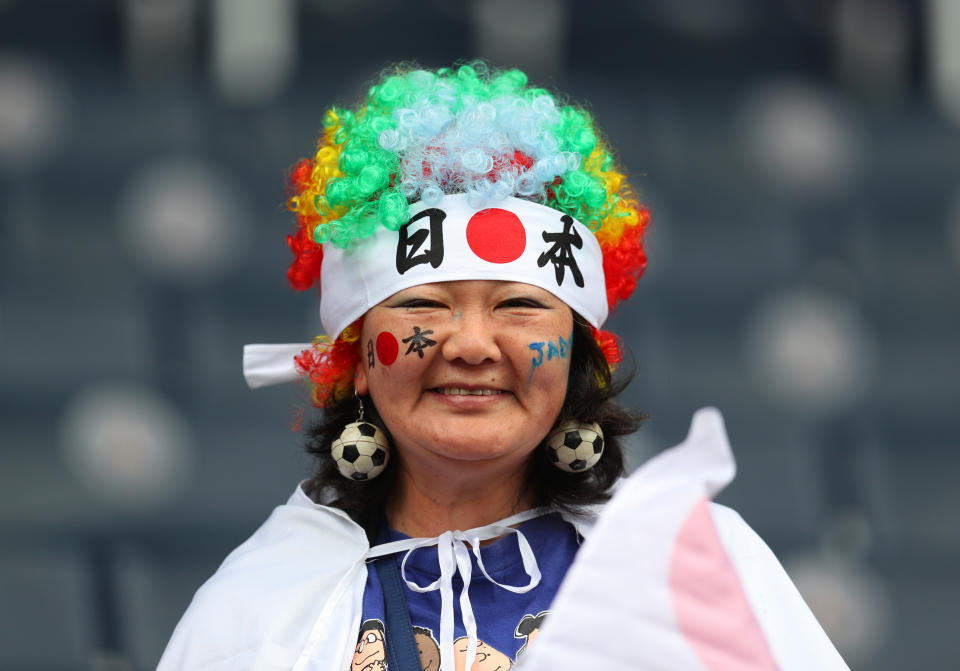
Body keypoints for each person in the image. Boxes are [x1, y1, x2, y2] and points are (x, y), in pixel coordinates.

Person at [159, 62, 847, 671]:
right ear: (356, 358)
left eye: (518, 305)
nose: (472, 344)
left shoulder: (697, 571)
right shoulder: (256, 609)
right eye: (425, 304)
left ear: (578, 354)